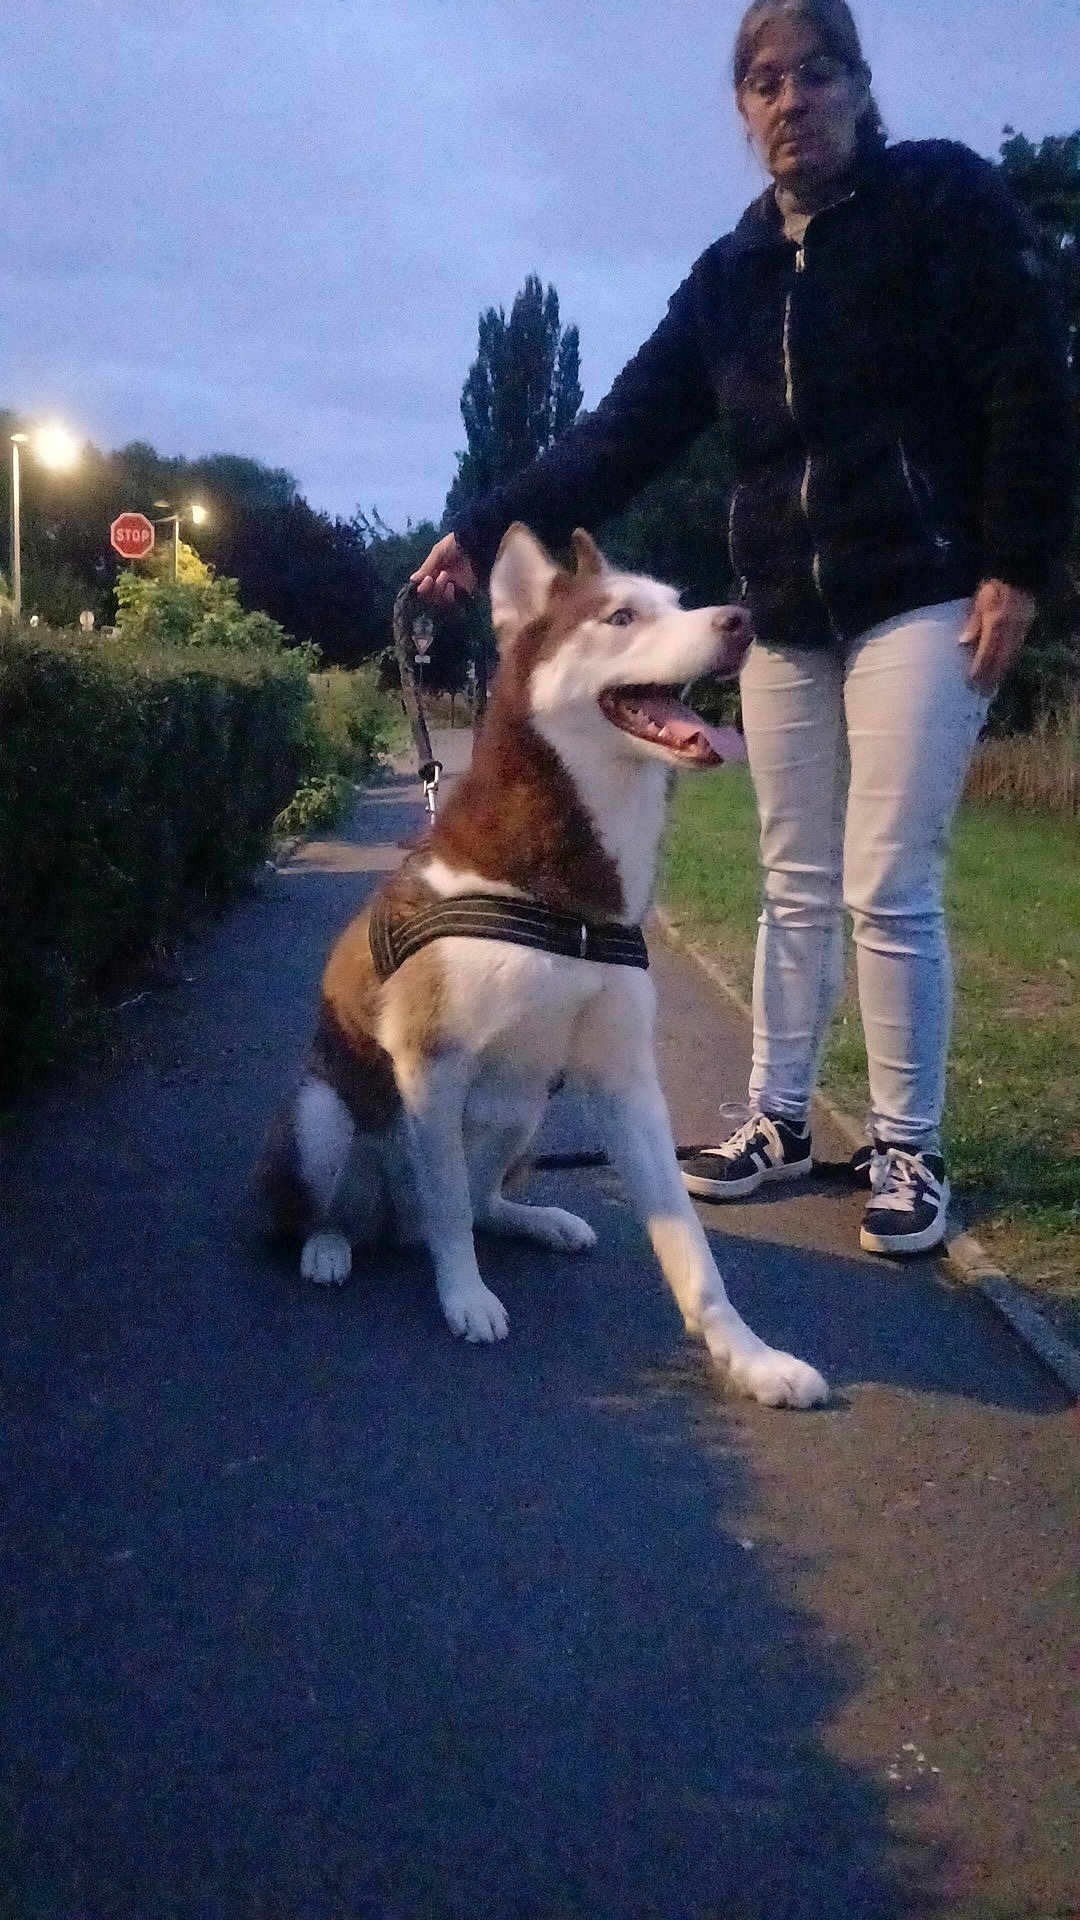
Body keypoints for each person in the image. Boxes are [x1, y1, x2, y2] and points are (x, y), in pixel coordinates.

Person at [411, 0, 1074, 1256]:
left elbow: (1024, 376)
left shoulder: (941, 200)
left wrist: (1016, 565)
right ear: (742, 110)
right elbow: (619, 433)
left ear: (861, 87)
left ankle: (907, 1149)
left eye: (815, 75)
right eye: (763, 83)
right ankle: (774, 1119)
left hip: (923, 594)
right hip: (785, 616)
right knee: (794, 880)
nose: (790, 101)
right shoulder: (730, 276)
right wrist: (483, 523)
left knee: (888, 881)